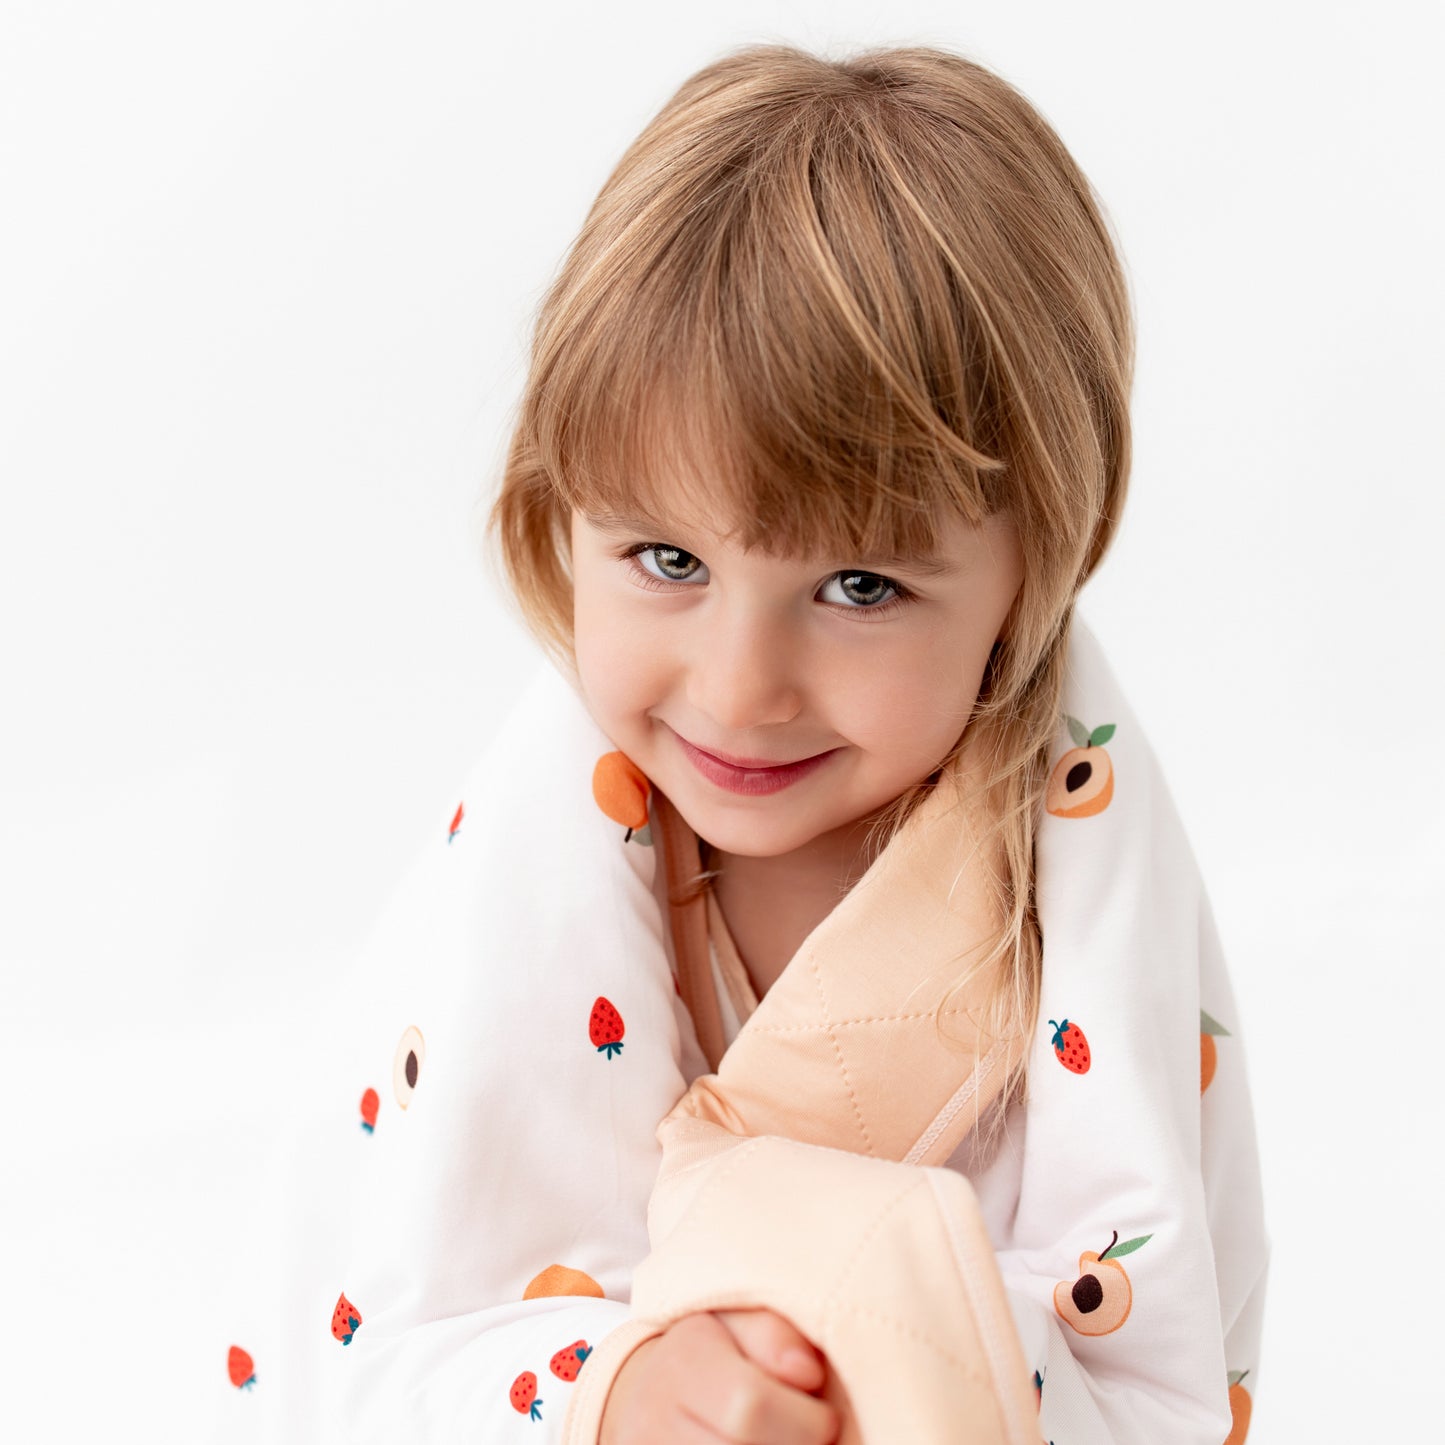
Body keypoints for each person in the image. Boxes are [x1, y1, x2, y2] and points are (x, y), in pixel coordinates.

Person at [216, 40, 1266, 1445]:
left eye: (858, 588)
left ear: (1032, 570)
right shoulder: (538, 861)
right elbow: (385, 1335)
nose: (737, 684)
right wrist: (613, 1390)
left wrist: (870, 1313)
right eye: (663, 557)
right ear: (559, 514)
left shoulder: (1072, 862)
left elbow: (1155, 1357)